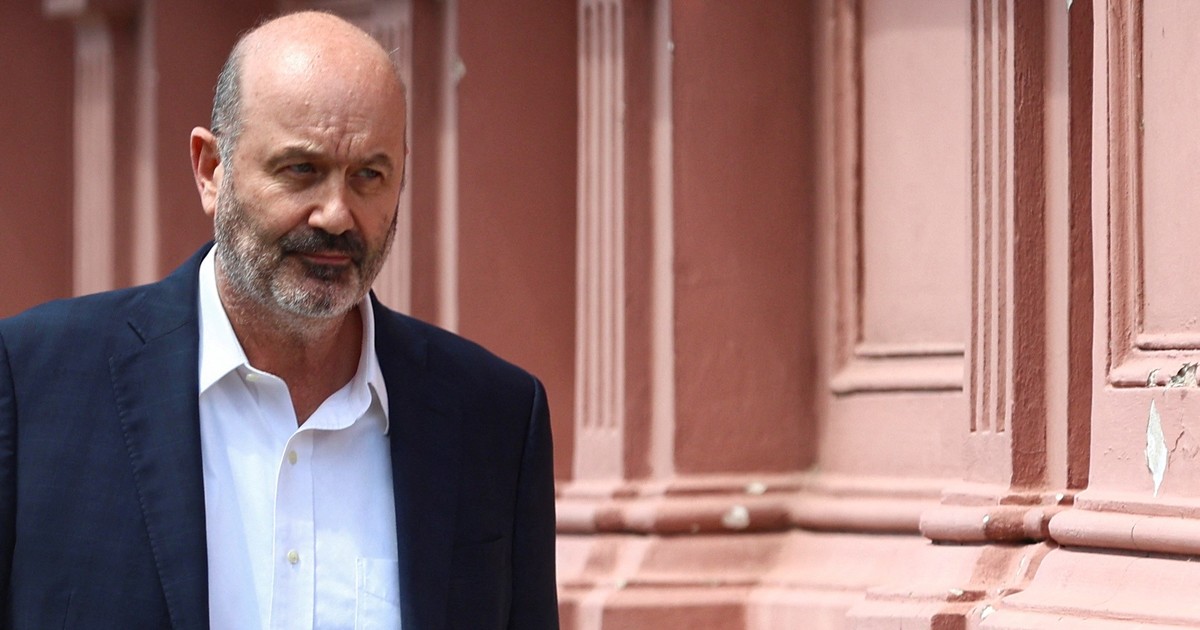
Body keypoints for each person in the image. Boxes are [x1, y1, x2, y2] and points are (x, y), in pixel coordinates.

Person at [0, 11, 558, 629]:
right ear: (211, 170)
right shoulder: (34, 386)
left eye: (368, 176)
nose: (336, 214)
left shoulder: (495, 421)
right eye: (301, 169)